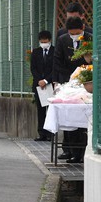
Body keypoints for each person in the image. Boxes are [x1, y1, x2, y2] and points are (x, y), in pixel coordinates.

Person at [52, 16, 90, 163]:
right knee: (68, 117)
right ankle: (68, 150)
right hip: (67, 81)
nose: (75, 35)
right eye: (72, 33)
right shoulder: (62, 40)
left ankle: (79, 152)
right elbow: (57, 60)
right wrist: (60, 80)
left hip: (84, 81)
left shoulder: (89, 38)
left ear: (83, 28)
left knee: (81, 120)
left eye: (77, 33)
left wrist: (81, 74)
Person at [30, 30, 54, 142]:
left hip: (50, 84)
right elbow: (33, 68)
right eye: (42, 41)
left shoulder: (55, 51)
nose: (44, 43)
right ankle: (41, 133)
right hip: (39, 85)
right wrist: (39, 80)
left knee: (50, 109)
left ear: (50, 41)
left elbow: (55, 68)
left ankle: (50, 133)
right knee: (40, 109)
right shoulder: (36, 52)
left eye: (46, 41)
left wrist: (46, 80)